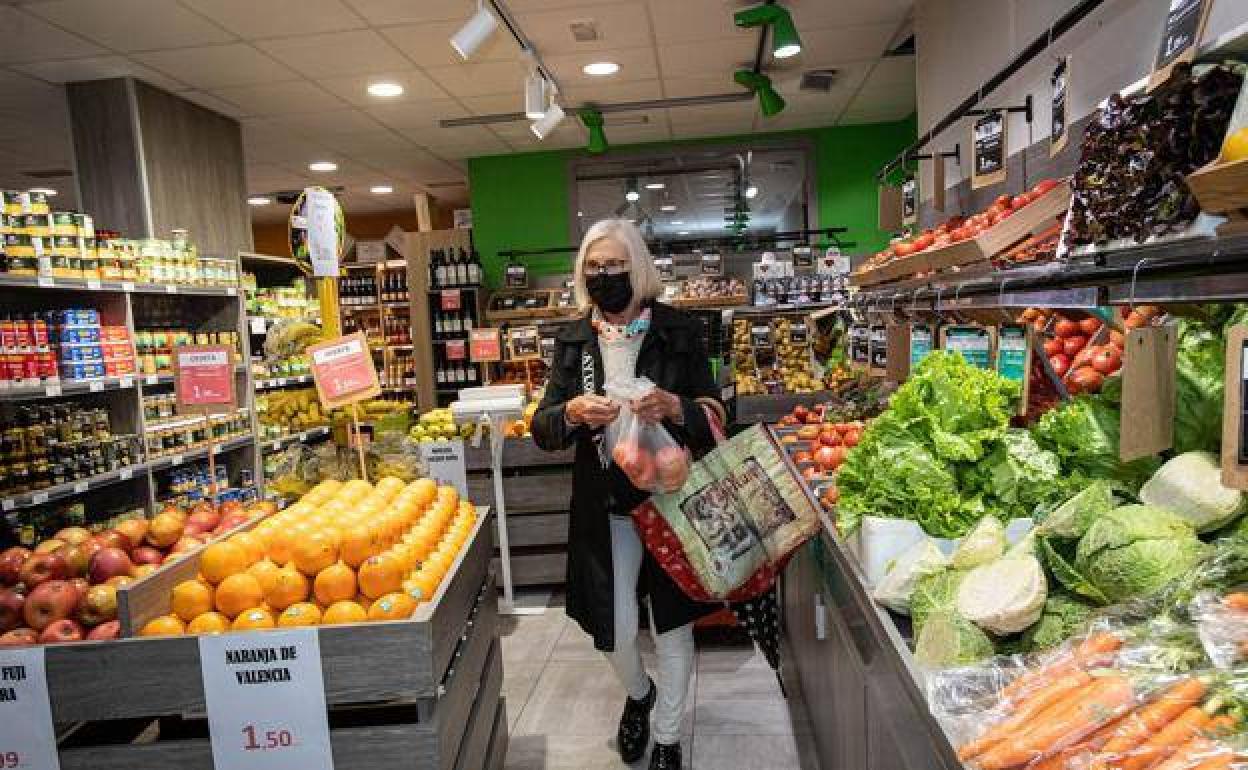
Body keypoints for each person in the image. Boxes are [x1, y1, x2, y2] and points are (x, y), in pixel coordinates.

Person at [531, 219, 725, 769]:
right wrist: (568, 412)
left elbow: (714, 414)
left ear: (636, 267)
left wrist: (674, 407)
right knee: (613, 626)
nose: (604, 276)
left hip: (669, 502)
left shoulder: (678, 330)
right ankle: (639, 695)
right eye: (593, 267)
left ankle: (667, 736)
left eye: (614, 265)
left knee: (671, 624)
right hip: (605, 505)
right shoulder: (574, 340)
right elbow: (544, 428)